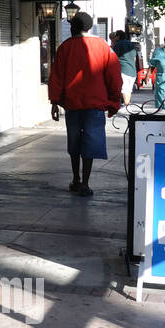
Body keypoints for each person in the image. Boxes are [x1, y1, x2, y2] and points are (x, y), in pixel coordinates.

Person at [48, 12, 122, 197]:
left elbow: (56, 77)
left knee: (74, 141)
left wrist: (55, 102)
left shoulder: (65, 47)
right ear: (89, 27)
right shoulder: (104, 47)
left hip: (72, 104)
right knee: (90, 142)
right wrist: (114, 101)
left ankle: (75, 179)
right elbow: (114, 77)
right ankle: (85, 183)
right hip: (95, 104)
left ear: (74, 27)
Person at [111, 31, 143, 108]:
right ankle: (127, 104)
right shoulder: (130, 44)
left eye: (115, 36)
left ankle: (126, 106)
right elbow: (135, 58)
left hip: (123, 69)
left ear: (118, 36)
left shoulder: (118, 44)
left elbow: (114, 58)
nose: (114, 38)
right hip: (132, 70)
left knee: (124, 89)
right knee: (128, 90)